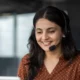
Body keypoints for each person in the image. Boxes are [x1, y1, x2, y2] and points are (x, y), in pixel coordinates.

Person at [17, 6, 80, 80]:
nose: (44, 37)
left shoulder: (77, 62)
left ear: (64, 32)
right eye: (39, 32)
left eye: (51, 31)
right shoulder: (27, 61)